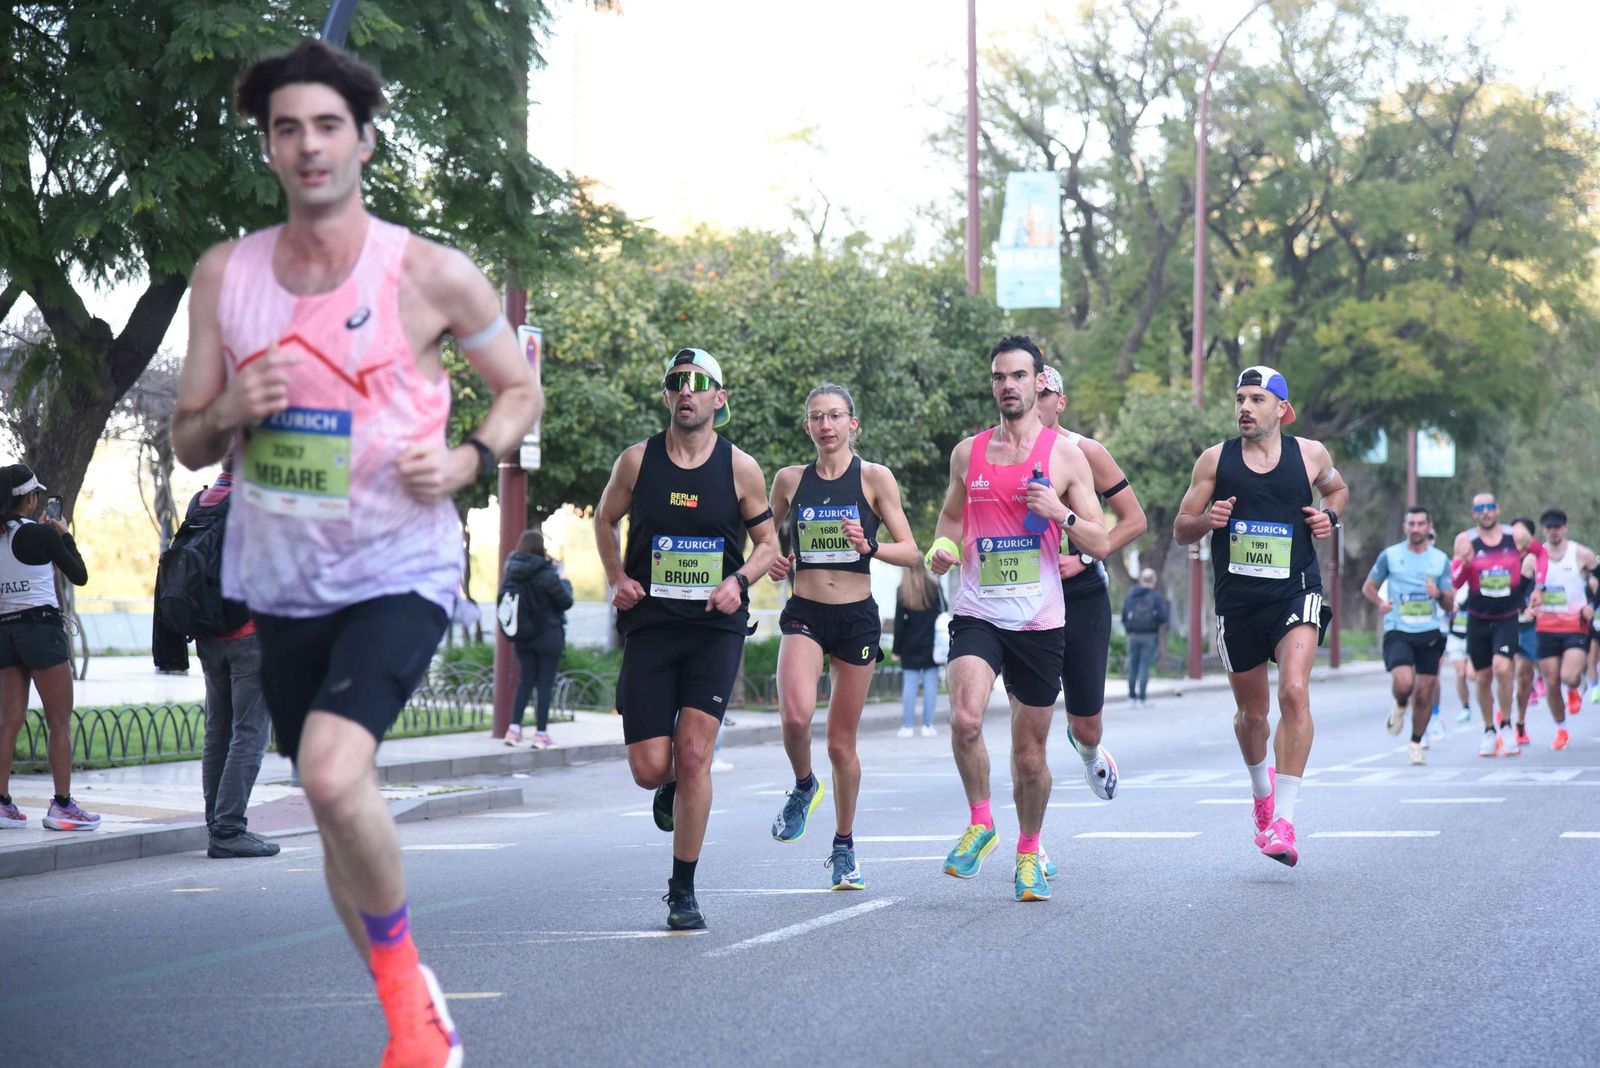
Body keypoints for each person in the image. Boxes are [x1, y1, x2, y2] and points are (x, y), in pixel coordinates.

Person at [171, 39, 541, 1068]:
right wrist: (229, 411)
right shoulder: (226, 277)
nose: (308, 145)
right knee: (335, 808)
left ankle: (411, 1013)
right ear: (268, 147)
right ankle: (405, 993)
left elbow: (519, 391)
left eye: (327, 125)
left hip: (399, 566)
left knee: (332, 776)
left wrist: (470, 459)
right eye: (286, 128)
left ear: (365, 141)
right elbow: (190, 436)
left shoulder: (428, 272)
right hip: (279, 578)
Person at [594, 347, 777, 929]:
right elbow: (604, 520)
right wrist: (616, 577)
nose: (687, 392)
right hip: (651, 624)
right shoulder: (636, 462)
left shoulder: (739, 468)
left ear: (719, 398)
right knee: (653, 767)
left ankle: (683, 890)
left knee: (695, 754)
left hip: (713, 629)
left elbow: (769, 545)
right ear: (668, 395)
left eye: (699, 383)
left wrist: (739, 581)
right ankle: (668, 784)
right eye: (677, 383)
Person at [926, 336, 1109, 903]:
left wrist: (1062, 512)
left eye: (1019, 376)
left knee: (1030, 757)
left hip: (1040, 620)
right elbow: (952, 517)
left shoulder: (1065, 455)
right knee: (965, 720)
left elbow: (1100, 539)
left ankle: (1029, 851)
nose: (1008, 385)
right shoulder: (968, 452)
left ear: (1037, 384)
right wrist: (943, 548)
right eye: (999, 377)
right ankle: (982, 821)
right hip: (979, 610)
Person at [1174, 366, 1347, 868]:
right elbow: (1181, 528)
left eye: (1256, 399)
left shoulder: (1310, 455)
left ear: (1281, 410)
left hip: (1296, 591)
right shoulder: (1215, 461)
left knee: (1294, 693)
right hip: (1238, 603)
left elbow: (1337, 491)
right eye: (1239, 399)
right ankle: (1261, 793)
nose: (1245, 408)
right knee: (1254, 715)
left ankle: (1286, 823)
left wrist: (1328, 517)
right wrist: (1209, 520)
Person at [765, 383, 920, 891]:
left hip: (855, 616)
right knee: (793, 715)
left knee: (840, 743)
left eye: (835, 416)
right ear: (807, 426)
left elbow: (911, 551)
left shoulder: (874, 478)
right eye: (816, 417)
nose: (826, 425)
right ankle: (803, 786)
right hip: (806, 609)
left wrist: (869, 545)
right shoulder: (789, 480)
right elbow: (766, 541)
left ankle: (844, 845)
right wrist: (776, 563)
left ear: (853, 423)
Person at [158, 464, 281, 857]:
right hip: (250, 635)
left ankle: (217, 823)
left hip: (209, 634)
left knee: (218, 730)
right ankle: (229, 830)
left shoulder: (203, 501)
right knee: (250, 733)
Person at [1032, 364, 1143, 792]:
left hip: (1080, 593)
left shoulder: (1085, 451)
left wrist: (1084, 556)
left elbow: (1134, 521)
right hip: (1025, 594)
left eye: (1045, 395)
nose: (1035, 402)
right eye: (1029, 391)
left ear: (1060, 403)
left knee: (1087, 726)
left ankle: (1089, 750)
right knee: (1029, 723)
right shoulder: (999, 452)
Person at [0, 464, 97, 832]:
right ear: (29, 498)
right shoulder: (42, 535)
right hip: (41, 628)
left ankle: (2, 803)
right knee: (59, 721)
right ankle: (62, 805)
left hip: (4, 631)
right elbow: (79, 575)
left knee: (7, 722)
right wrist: (64, 535)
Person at [1451, 496, 1544, 759]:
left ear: (1497, 510)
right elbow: (1456, 583)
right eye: (1479, 509)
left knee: (1503, 668)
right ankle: (1489, 730)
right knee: (1482, 678)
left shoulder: (1512, 537)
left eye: (1489, 507)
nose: (1485, 512)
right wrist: (1465, 563)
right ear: (1473, 514)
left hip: (1506, 617)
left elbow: (1541, 553)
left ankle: (1506, 725)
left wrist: (1540, 587)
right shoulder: (1465, 540)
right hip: (1478, 617)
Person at [1361, 507, 1453, 765]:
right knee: (1404, 684)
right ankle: (1400, 704)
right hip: (1398, 629)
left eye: (1420, 524)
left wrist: (1439, 595)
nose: (1416, 529)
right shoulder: (1390, 556)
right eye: (1411, 524)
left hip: (1430, 632)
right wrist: (1380, 603)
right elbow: (1369, 587)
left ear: (1428, 527)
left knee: (1425, 692)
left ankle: (1415, 743)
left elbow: (1449, 603)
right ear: (1405, 527)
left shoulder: (1440, 560)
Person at [499, 528, 572, 749]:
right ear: (541, 548)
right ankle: (540, 735)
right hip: (548, 633)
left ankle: (513, 730)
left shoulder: (512, 570)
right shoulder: (547, 573)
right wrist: (564, 580)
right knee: (545, 683)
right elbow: (565, 602)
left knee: (526, 680)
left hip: (523, 635)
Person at [1531, 509, 1592, 750]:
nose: (1553, 531)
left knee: (1569, 676)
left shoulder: (1581, 554)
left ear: (1565, 528)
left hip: (1574, 626)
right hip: (1545, 627)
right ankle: (1561, 728)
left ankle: (1575, 687)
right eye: (1549, 527)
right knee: (1552, 681)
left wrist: (1593, 606)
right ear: (1543, 530)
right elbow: (1522, 587)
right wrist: (1527, 605)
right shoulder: (1534, 557)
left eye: (1557, 527)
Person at [894, 559, 943, 738]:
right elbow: (942, 611)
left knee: (910, 686)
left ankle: (907, 726)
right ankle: (928, 725)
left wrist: (896, 649)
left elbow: (899, 624)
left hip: (909, 644)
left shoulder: (902, 590)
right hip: (932, 643)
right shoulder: (934, 587)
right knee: (931, 686)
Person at [1122, 568, 1168, 708]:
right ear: (1154, 580)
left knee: (1132, 666)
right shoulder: (1156, 597)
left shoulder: (1132, 594)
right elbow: (1162, 617)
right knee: (1144, 666)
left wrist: (1129, 629)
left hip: (1133, 635)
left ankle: (1131, 697)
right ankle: (1142, 698)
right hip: (1149, 635)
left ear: (1141, 580)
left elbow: (1124, 615)